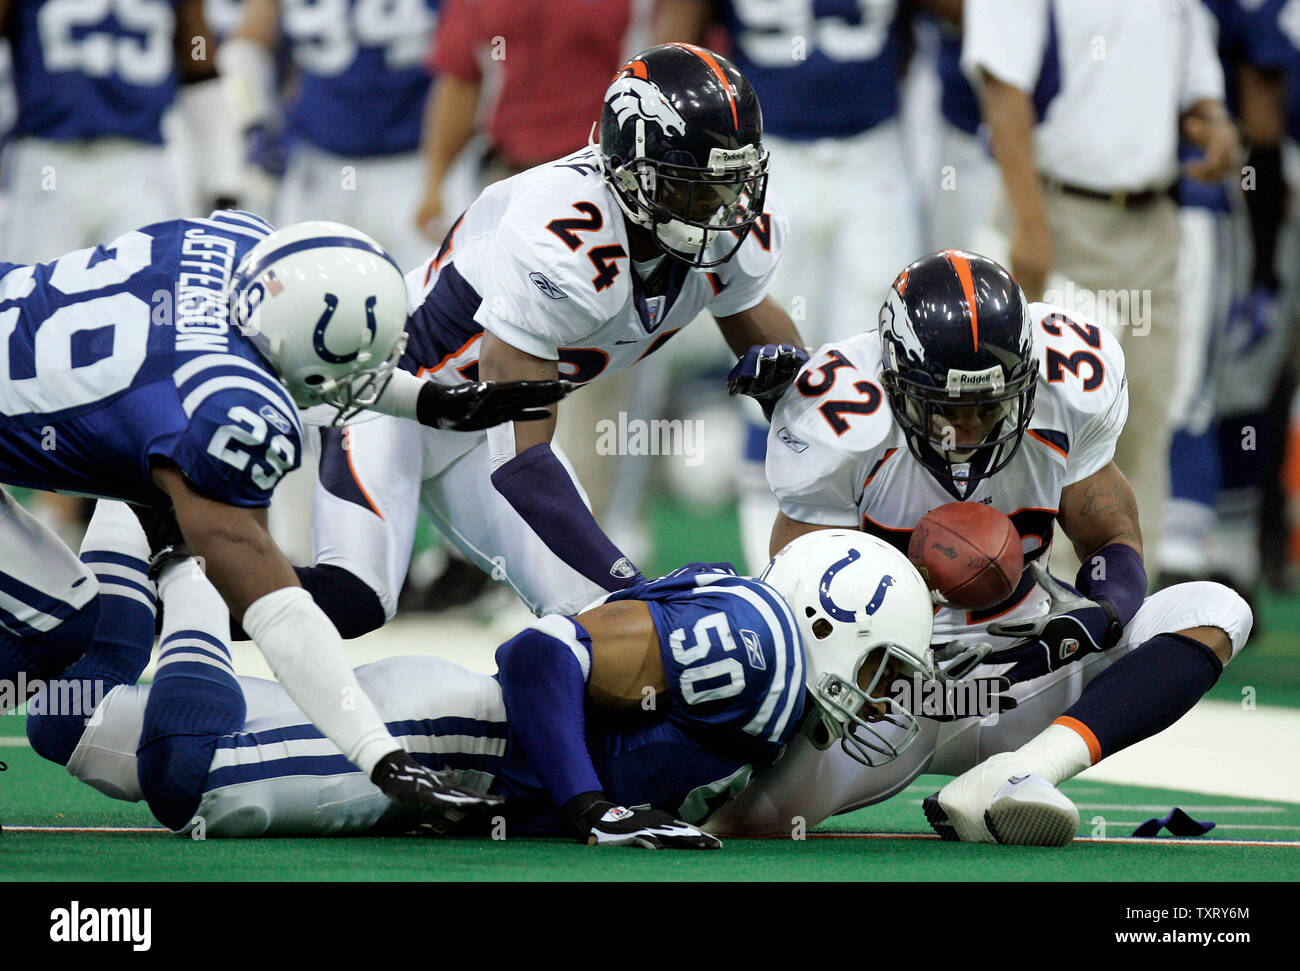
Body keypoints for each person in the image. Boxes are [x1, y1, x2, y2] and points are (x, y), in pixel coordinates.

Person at [0, 209, 565, 820]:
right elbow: (280, 614)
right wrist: (380, 755)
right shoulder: (227, 408)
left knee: (67, 623)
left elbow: (305, 350)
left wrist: (428, 401)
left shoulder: (238, 244)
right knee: (58, 622)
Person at [711, 250, 1253, 844]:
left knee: (1215, 611)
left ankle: (1020, 772)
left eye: (988, 405)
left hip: (1026, 666)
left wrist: (1103, 612)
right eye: (947, 407)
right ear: (894, 382)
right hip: (890, 697)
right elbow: (795, 601)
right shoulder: (840, 418)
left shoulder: (1068, 384)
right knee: (743, 822)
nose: (968, 428)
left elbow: (1112, 536)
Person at [295, 43, 809, 636]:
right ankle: (186, 594)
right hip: (393, 402)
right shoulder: (562, 234)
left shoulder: (726, 235)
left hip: (486, 428)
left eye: (731, 183)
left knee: (610, 624)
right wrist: (634, 583)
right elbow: (522, 464)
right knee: (351, 601)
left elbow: (803, 399)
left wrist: (790, 388)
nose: (722, 209)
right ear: (632, 171)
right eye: (693, 187)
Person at [28, 512, 936, 846]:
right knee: (183, 769)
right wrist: (588, 804)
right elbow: (542, 654)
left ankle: (126, 502)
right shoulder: (761, 645)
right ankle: (181, 548)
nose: (886, 695)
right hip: (446, 740)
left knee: (73, 728)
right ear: (828, 620)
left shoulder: (769, 672)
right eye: (884, 667)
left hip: (456, 743)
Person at [962, 0, 1240, 566]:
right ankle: (1039, 628)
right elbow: (1002, 88)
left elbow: (1194, 73)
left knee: (1143, 428)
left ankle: (1130, 620)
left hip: (1153, 220)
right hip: (1058, 214)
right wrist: (1031, 224)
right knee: (1045, 433)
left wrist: (1213, 119)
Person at [218, 0, 441, 270]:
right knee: (301, 291)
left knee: (428, 298)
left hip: (423, 165)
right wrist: (255, 120)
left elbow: (472, 55)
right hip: (319, 163)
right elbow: (247, 45)